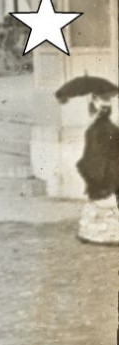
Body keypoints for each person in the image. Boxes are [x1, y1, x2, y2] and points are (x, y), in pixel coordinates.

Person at [75, 97, 119, 245]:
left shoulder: (93, 131)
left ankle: (100, 233)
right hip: (111, 176)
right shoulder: (113, 129)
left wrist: (85, 169)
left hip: (102, 177)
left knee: (101, 205)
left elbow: (92, 157)